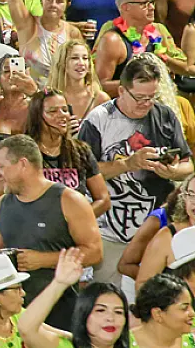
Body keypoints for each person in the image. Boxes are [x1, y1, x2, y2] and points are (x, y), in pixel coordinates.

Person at [79, 56, 192, 284]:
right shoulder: (99, 120)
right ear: (121, 91)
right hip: (110, 229)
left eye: (152, 98)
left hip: (156, 228)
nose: (146, 104)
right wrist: (127, 164)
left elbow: (188, 164)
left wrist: (174, 172)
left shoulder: (165, 115)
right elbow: (82, 173)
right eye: (140, 98)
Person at [0, 135, 102, 328]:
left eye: (2, 166)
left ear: (22, 164)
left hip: (59, 309)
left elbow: (95, 252)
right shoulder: (3, 203)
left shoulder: (69, 200)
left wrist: (42, 259)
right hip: (13, 314)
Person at [24, 90, 110, 214]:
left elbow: (103, 199)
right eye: (53, 111)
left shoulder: (80, 151)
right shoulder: (23, 151)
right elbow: (4, 197)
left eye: (65, 110)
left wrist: (75, 221)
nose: (62, 115)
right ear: (36, 117)